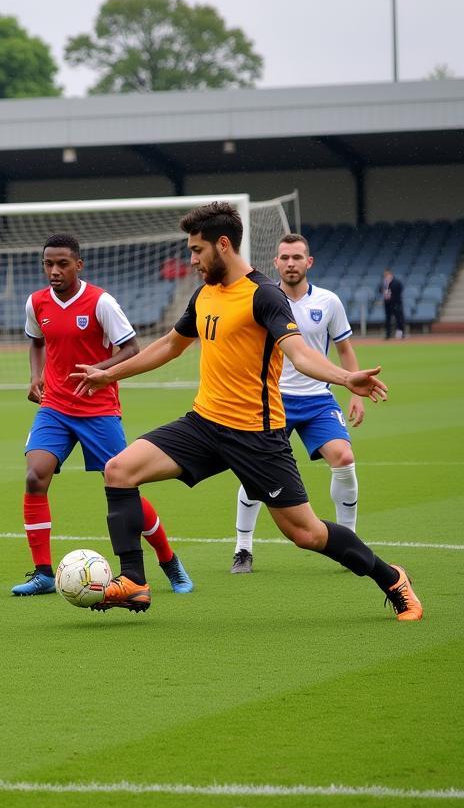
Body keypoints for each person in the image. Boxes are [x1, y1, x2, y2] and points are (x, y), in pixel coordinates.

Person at [71, 201, 422, 622]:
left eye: (197, 250)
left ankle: (393, 579)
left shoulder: (264, 295)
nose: (192, 260)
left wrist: (346, 378)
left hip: (256, 436)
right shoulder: (204, 294)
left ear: (223, 245)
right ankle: (134, 582)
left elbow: (300, 354)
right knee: (119, 471)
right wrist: (111, 374)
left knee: (306, 534)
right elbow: (169, 345)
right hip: (203, 425)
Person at [11, 234, 193, 597]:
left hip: (99, 409)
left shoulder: (101, 302)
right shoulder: (37, 302)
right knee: (35, 477)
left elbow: (131, 348)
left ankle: (169, 560)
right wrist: (36, 376)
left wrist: (101, 370)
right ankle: (44, 573)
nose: (54, 271)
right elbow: (36, 341)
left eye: (62, 263)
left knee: (123, 486)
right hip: (56, 408)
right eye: (48, 264)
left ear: (78, 264)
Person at [231, 234, 363, 573]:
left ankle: (348, 542)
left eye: (297, 257)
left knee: (344, 457)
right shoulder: (262, 299)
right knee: (253, 474)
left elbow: (344, 349)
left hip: (318, 399)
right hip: (272, 400)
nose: (291, 263)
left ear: (309, 262)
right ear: (275, 262)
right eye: (285, 257)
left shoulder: (329, 302)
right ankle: (242, 548)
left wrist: (352, 390)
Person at [379, 268, 405, 340]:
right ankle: (388, 335)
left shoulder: (396, 282)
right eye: (385, 275)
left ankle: (400, 334)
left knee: (399, 319)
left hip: (396, 304)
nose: (386, 276)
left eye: (387, 275)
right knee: (388, 320)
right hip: (387, 305)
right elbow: (380, 290)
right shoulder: (384, 283)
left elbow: (398, 291)